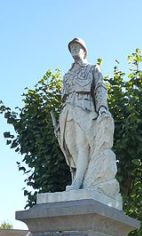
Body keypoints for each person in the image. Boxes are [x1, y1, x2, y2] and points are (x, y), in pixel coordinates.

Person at [54, 38, 120, 204]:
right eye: (72, 48)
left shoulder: (92, 68)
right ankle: (79, 179)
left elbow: (99, 88)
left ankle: (78, 183)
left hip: (85, 108)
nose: (74, 50)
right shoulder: (67, 75)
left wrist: (102, 107)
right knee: (71, 147)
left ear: (84, 50)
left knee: (82, 144)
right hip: (68, 109)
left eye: (78, 47)